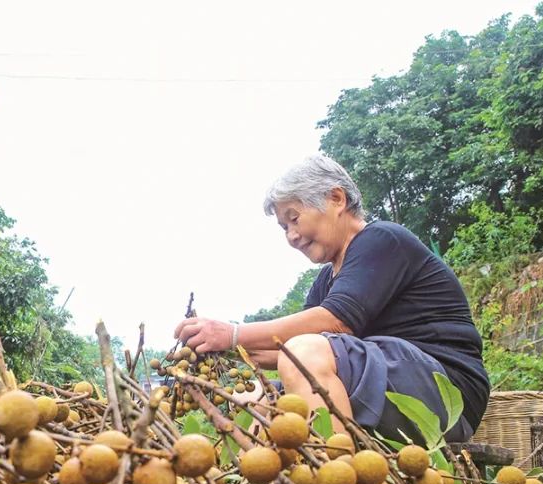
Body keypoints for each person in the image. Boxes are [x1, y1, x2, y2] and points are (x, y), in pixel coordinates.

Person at [174, 155, 489, 443]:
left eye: (294, 219)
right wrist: (227, 352)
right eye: (284, 228)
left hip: (446, 398)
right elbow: (286, 352)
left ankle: (335, 479)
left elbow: (334, 324)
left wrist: (232, 334)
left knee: (305, 350)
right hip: (389, 386)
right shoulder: (326, 280)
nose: (291, 237)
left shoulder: (381, 240)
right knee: (254, 399)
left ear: (336, 199)